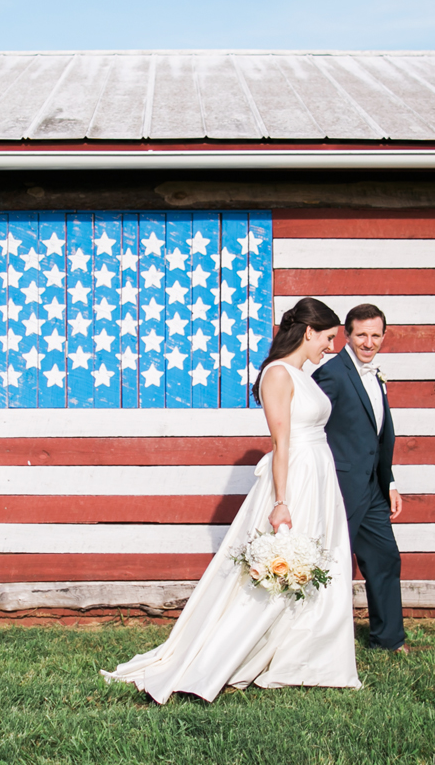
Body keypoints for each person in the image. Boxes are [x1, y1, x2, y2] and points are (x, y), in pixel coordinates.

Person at [102, 297, 362, 702]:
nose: (330, 347)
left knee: (318, 564)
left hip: (319, 475)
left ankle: (307, 655)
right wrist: (282, 501)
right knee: (285, 568)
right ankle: (232, 654)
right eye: (327, 338)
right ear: (309, 331)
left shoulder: (303, 374)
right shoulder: (278, 375)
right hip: (297, 479)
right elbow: (281, 443)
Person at [312, 303, 405, 653]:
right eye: (361, 334)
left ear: (384, 336)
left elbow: (378, 435)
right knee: (330, 562)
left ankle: (389, 640)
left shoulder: (375, 374)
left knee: (385, 557)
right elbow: (310, 423)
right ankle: (318, 641)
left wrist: (390, 482)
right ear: (347, 335)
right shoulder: (331, 374)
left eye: (375, 335)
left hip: (373, 489)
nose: (369, 342)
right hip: (339, 487)